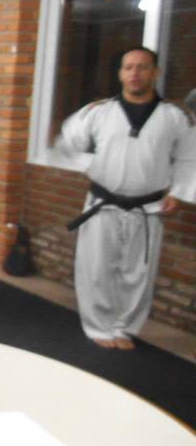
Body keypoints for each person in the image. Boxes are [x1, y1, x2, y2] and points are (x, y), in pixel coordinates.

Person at [58, 47, 196, 350]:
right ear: (120, 74)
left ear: (155, 72)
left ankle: (124, 327)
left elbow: (190, 157)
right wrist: (91, 165)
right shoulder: (98, 112)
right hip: (102, 203)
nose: (135, 73)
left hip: (148, 207)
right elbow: (68, 141)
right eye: (129, 67)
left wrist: (178, 192)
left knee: (138, 273)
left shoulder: (175, 117)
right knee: (96, 269)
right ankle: (98, 326)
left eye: (143, 67)